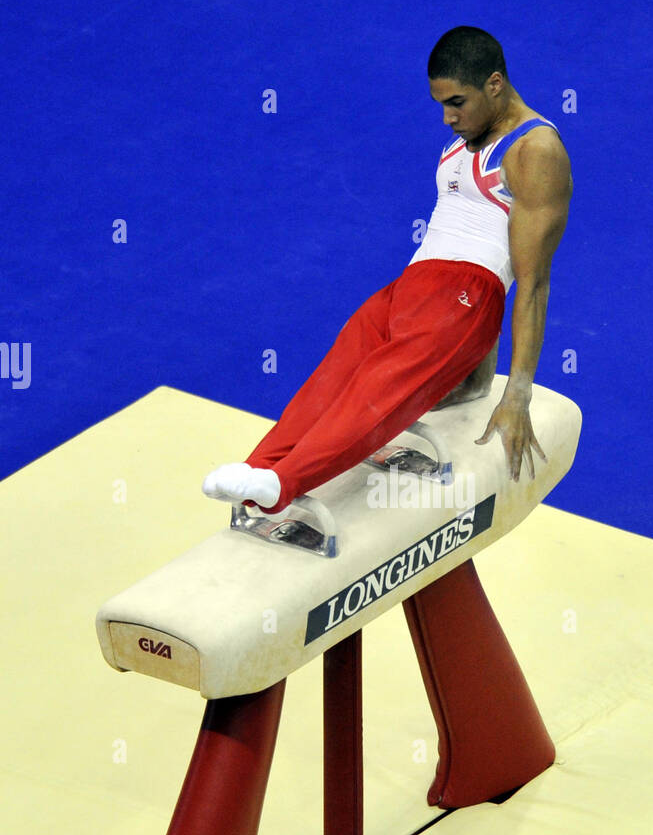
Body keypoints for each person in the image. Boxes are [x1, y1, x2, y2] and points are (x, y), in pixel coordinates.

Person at [202, 26, 573, 516]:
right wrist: (473, 382)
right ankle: (259, 466)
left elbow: (533, 284)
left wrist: (516, 393)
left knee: (377, 389)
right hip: (412, 285)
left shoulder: (535, 150)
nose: (448, 117)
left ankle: (283, 483)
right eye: (441, 104)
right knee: (337, 377)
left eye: (457, 102)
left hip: (465, 296)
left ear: (496, 84)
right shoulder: (467, 134)